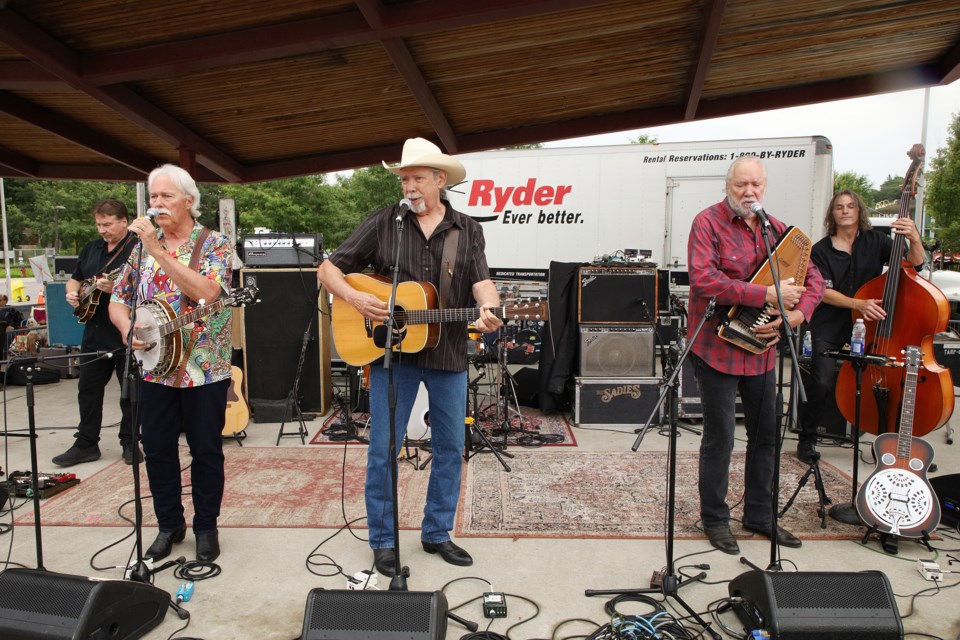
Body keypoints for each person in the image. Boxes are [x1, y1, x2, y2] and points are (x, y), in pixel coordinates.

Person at [316, 137, 502, 575]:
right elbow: (329, 268)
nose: (410, 186)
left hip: (449, 353)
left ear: (440, 179)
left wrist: (490, 307)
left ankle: (437, 534)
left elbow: (481, 282)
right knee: (384, 447)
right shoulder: (384, 222)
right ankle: (382, 540)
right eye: (404, 178)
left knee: (451, 445)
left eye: (418, 177)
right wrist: (356, 300)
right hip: (390, 355)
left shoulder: (468, 229)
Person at [687, 155, 824, 555]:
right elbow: (704, 280)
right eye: (740, 186)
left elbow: (813, 278)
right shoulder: (707, 222)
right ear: (727, 186)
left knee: (766, 437)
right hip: (715, 350)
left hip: (762, 353)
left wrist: (796, 315)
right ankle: (715, 519)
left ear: (764, 187)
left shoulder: (778, 231)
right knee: (721, 439)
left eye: (756, 186)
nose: (749, 193)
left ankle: (760, 516)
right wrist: (764, 294)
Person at [109, 164, 234, 563]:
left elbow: (208, 291)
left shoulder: (214, 244)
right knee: (158, 448)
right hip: (154, 368)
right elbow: (117, 299)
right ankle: (169, 525)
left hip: (203, 368)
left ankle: (206, 528)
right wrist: (129, 330)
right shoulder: (137, 248)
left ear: (189, 201)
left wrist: (159, 252)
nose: (156, 204)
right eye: (153, 197)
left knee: (206, 450)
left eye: (165, 196)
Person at [796, 189, 925, 463]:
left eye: (850, 206)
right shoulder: (819, 250)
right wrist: (857, 304)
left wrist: (914, 237)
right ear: (832, 214)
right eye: (839, 206)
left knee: (889, 378)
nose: (845, 210)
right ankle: (807, 439)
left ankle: (888, 438)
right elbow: (820, 292)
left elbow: (915, 264)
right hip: (831, 321)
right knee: (820, 380)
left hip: (870, 323)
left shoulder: (877, 241)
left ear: (858, 211)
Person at [52, 199, 139, 467]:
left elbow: (148, 286)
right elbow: (76, 277)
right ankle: (86, 444)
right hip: (93, 331)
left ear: (123, 221)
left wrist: (117, 289)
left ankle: (131, 442)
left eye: (108, 224)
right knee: (87, 390)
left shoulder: (138, 249)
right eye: (99, 224)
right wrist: (71, 292)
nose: (102, 230)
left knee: (130, 391)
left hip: (125, 331)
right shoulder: (91, 249)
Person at [0, 293, 25, 359]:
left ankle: (4, 352)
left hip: (7, 330)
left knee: (10, 333)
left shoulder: (11, 310)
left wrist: (12, 326)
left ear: (5, 301)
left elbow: (19, 320)